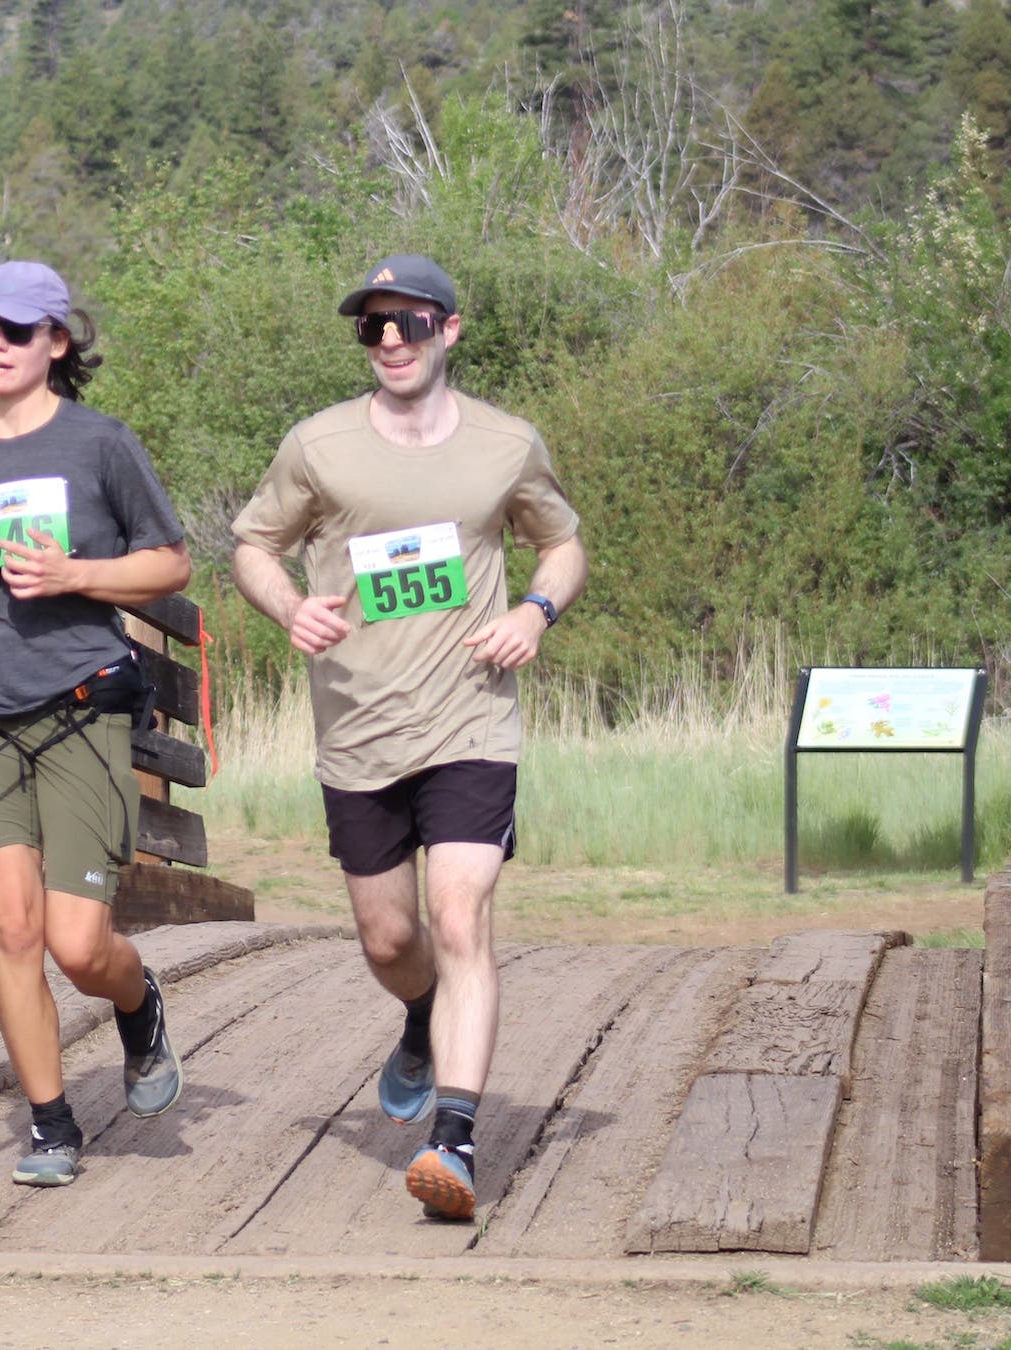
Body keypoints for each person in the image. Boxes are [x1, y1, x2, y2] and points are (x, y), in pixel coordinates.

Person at [229, 254, 587, 1221]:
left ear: (450, 330)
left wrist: (536, 611)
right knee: (391, 938)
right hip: (359, 726)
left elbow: (563, 540)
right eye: (372, 326)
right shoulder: (320, 446)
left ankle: (456, 1144)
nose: (390, 338)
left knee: (461, 915)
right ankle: (420, 1016)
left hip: (471, 717)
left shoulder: (508, 445)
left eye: (409, 322)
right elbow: (252, 546)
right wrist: (289, 608)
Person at [0, 260, 193, 1187]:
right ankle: (49, 1124)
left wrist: (77, 575)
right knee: (12, 928)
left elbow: (169, 567)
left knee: (78, 945)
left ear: (56, 343)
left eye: (15, 330)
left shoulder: (100, 446)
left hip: (81, 710)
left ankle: (137, 1003)